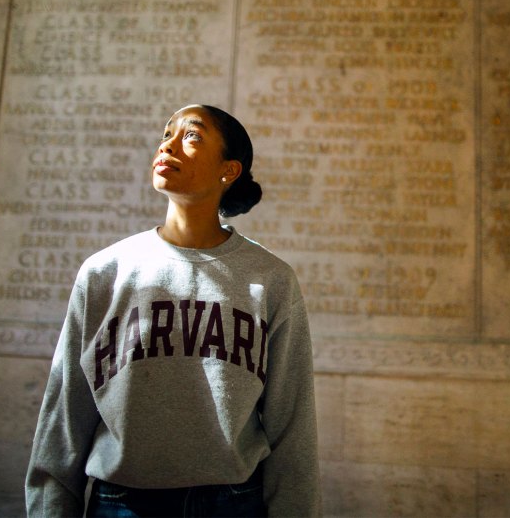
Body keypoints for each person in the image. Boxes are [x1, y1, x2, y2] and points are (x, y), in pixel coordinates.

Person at [25, 104, 320, 517]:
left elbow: (293, 425)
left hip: (232, 504)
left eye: (192, 136)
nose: (168, 146)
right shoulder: (104, 272)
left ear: (229, 170)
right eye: (166, 135)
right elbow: (64, 414)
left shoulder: (271, 280)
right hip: (120, 502)